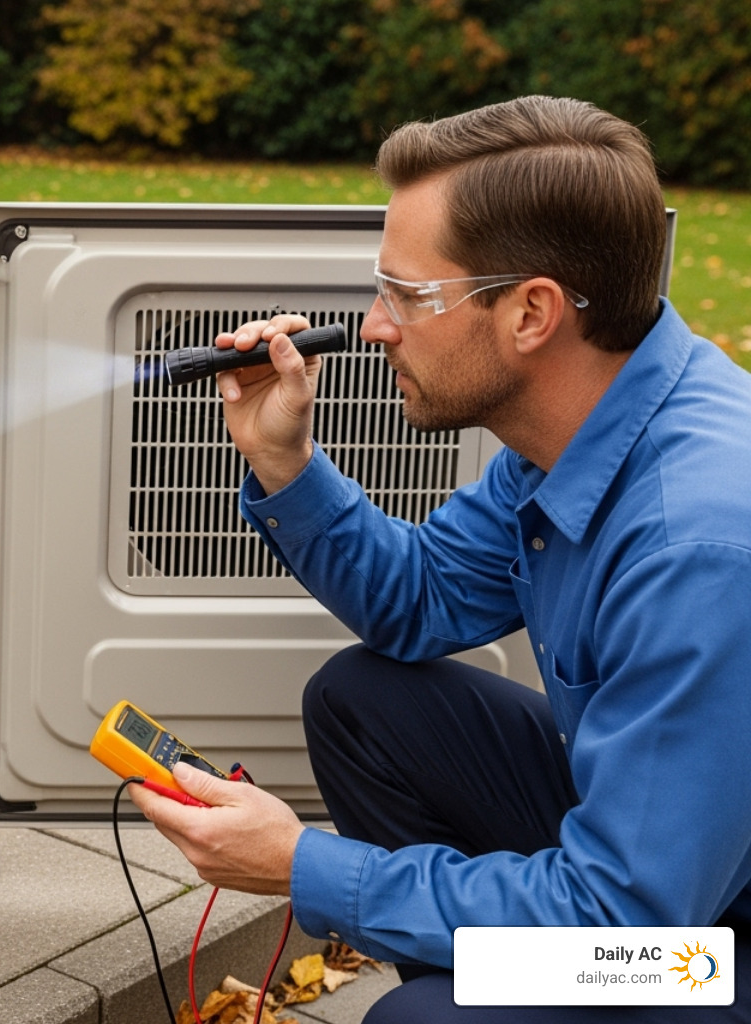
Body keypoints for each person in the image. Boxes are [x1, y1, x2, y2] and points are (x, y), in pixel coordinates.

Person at [129, 94, 751, 1022]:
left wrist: (309, 868)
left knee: (416, 1023)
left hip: (695, 944)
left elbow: (639, 932)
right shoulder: (586, 423)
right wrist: (284, 460)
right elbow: (419, 601)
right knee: (364, 702)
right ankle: (488, 990)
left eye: (410, 295)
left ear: (532, 313)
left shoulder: (696, 545)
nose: (376, 327)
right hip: (676, 879)